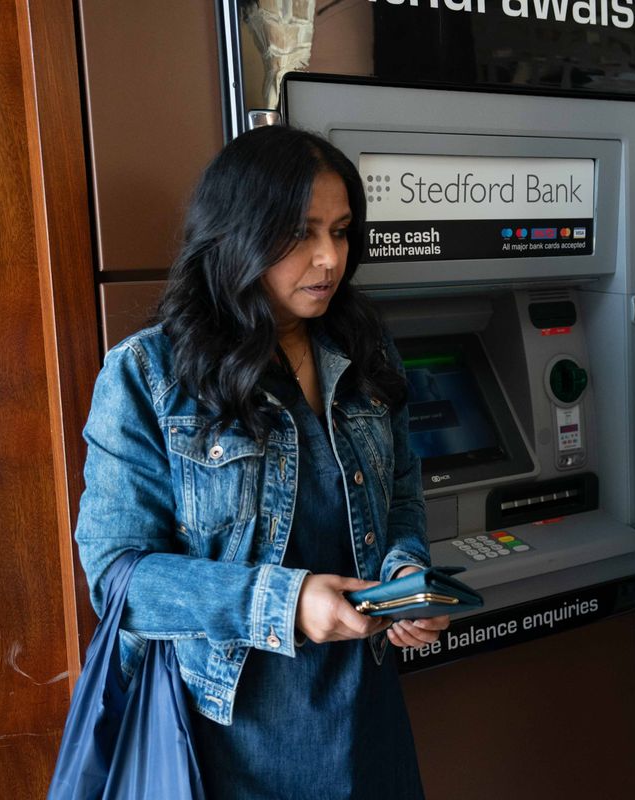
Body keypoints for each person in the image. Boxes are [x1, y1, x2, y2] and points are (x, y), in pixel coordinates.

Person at [74, 124, 448, 799]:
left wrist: (405, 576)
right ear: (237, 233)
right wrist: (285, 602)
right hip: (227, 734)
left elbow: (399, 498)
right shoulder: (149, 374)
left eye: (340, 231)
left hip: (364, 719)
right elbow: (118, 576)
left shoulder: (363, 349)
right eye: (302, 233)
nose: (329, 259)